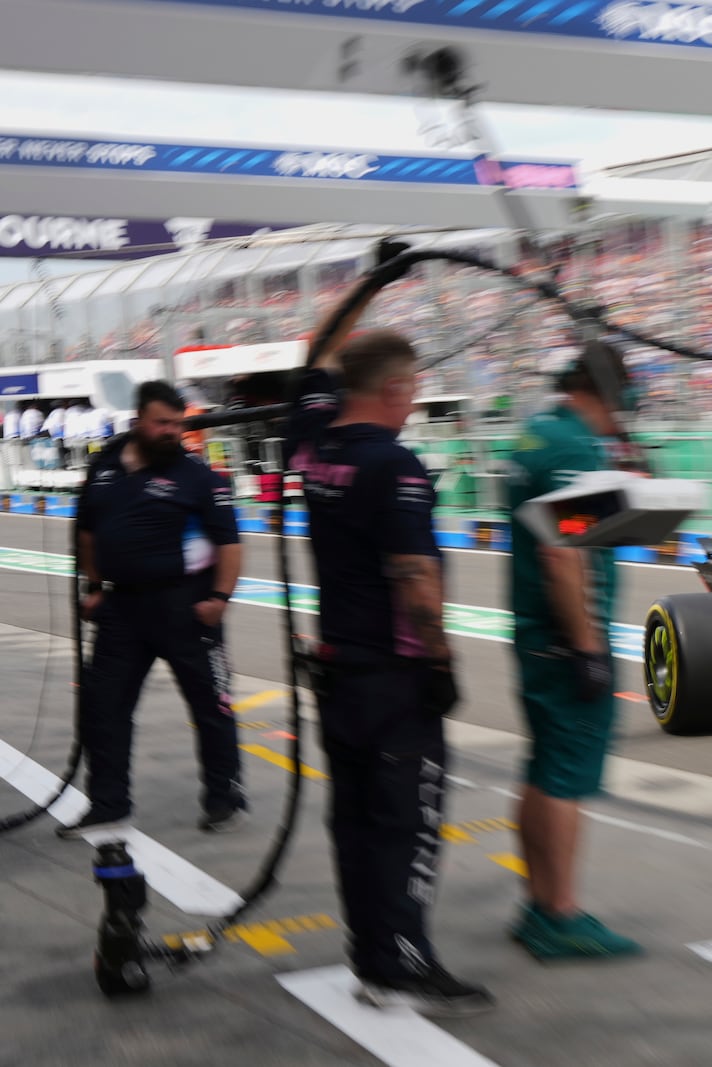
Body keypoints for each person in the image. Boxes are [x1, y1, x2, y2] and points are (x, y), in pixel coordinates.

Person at [286, 267, 493, 1018]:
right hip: (393, 677)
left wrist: (370, 280)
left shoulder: (310, 440)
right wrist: (441, 660)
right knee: (405, 823)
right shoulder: (393, 464)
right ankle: (405, 958)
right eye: (411, 390)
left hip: (338, 669)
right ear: (399, 391)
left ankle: (371, 956)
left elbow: (318, 351)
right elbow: (413, 574)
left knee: (352, 822)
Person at [59, 380, 246, 838]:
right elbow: (85, 530)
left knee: (211, 705)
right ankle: (108, 802)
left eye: (177, 425)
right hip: (122, 608)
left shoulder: (197, 477)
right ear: (138, 420)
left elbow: (230, 543)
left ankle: (223, 796)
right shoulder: (104, 467)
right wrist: (95, 584)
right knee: (103, 707)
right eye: (162, 423)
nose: (171, 432)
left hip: (186, 607)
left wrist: (219, 599)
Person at [504, 339, 642, 961]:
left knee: (542, 769)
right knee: (566, 775)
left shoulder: (538, 432)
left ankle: (538, 904)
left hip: (535, 633)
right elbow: (563, 551)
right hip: (564, 639)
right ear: (607, 394)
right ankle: (559, 914)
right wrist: (588, 647)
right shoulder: (571, 446)